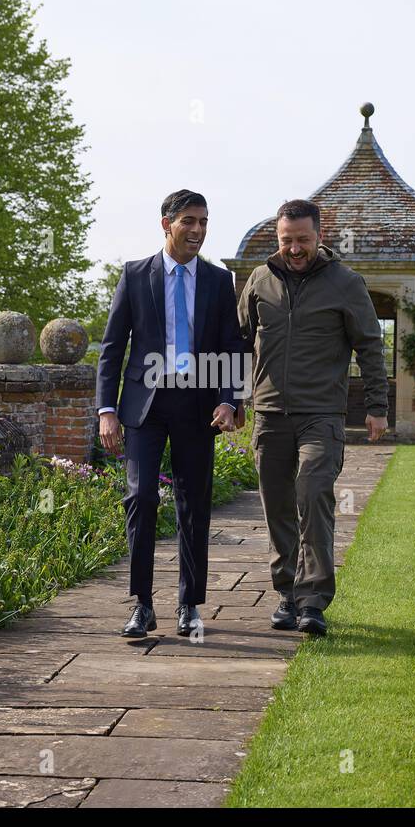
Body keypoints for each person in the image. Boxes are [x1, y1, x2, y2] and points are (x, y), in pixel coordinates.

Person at [97, 190, 246, 638]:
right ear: (166, 224)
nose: (198, 230)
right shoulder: (135, 275)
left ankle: (189, 605)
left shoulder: (221, 282)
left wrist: (230, 399)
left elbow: (231, 347)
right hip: (145, 404)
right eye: (188, 221)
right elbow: (111, 348)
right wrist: (107, 409)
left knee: (193, 504)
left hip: (199, 406)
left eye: (203, 222)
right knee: (140, 498)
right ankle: (142, 604)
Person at [237, 199, 389, 636]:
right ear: (277, 238)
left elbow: (371, 347)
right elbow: (239, 340)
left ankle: (313, 601)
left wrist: (377, 407)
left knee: (314, 492)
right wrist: (232, 399)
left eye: (303, 239)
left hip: (321, 414)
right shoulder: (260, 280)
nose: (295, 248)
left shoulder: (345, 283)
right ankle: (287, 592)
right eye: (287, 240)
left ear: (320, 237)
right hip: (269, 415)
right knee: (278, 507)